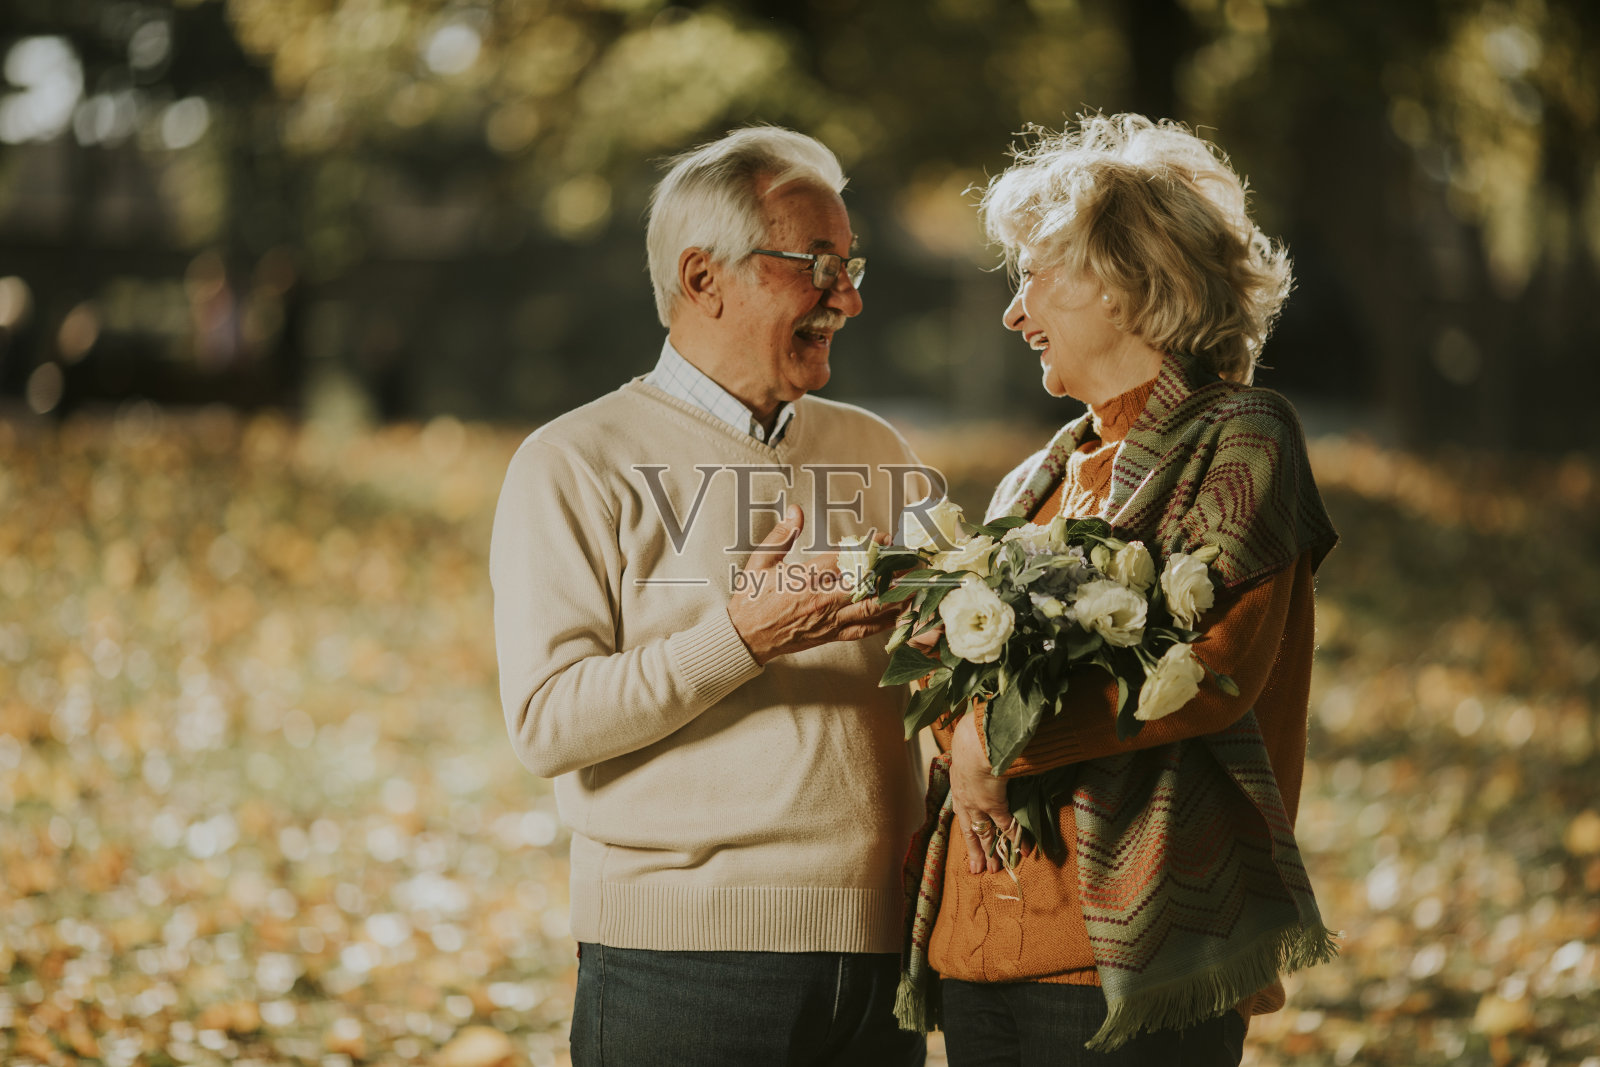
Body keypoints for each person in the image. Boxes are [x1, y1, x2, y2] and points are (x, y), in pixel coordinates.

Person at [900, 114, 1340, 1065]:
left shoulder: (1246, 437)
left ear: (1125, 276)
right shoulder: (1035, 480)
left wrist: (997, 744)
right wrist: (960, 731)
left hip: (1132, 960)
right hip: (981, 947)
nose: (1015, 314)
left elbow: (1209, 668)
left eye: (1032, 275)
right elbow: (947, 672)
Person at [490, 127, 929, 1066]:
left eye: (850, 266)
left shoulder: (880, 451)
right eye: (816, 265)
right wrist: (741, 633)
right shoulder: (571, 462)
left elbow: (958, 671)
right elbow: (546, 720)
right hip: (681, 960)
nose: (845, 297)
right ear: (703, 279)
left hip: (887, 954)